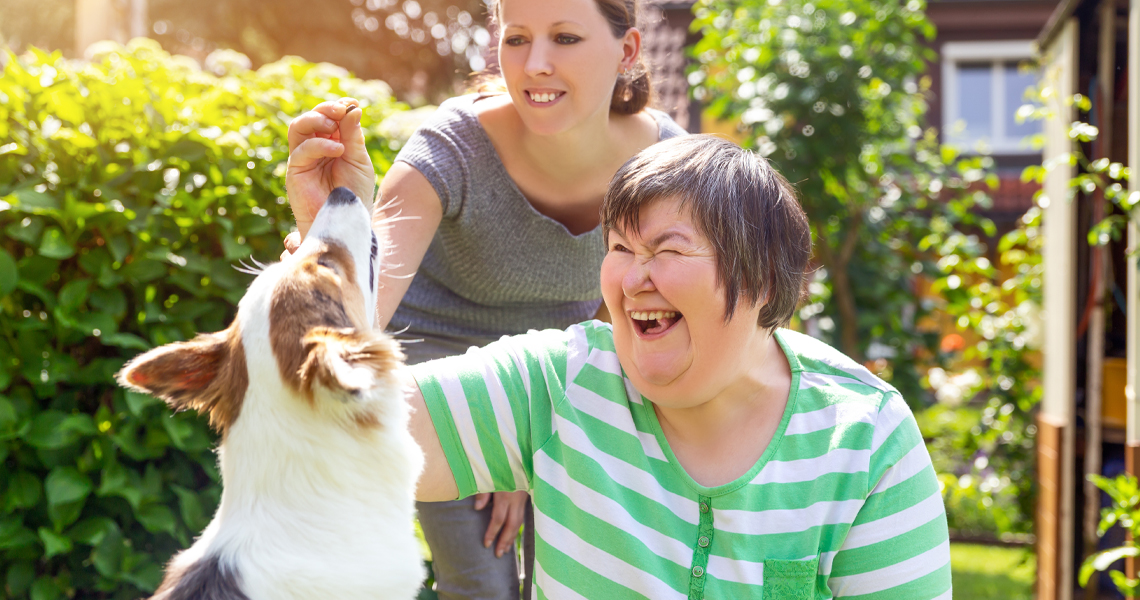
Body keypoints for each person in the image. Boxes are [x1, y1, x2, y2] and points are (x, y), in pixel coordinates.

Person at [407, 135, 953, 599]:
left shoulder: (866, 439)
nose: (632, 279)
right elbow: (350, 428)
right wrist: (329, 235)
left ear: (761, 278)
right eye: (620, 247)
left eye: (668, 250)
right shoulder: (561, 382)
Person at [282, 0, 687, 596]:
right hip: (433, 366)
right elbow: (358, 317)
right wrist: (328, 227)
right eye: (517, 38)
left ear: (626, 51)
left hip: (566, 373)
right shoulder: (452, 146)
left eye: (566, 38)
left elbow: (636, 315)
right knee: (486, 584)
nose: (535, 64)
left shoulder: (666, 165)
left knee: (586, 577)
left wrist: (535, 423)